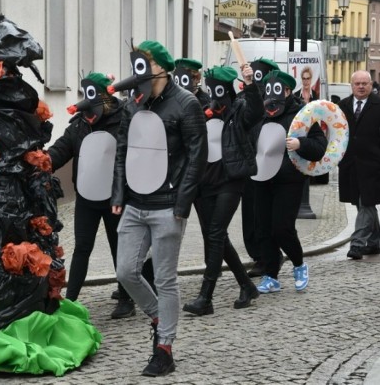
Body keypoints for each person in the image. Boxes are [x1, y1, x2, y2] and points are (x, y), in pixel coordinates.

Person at [110, 40, 207, 377]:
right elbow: (122, 150)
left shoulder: (186, 104)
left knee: (165, 279)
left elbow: (197, 156)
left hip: (168, 206)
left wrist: (182, 203)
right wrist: (118, 194)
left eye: (146, 67)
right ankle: (158, 316)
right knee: (125, 271)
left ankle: (164, 349)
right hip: (135, 204)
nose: (139, 74)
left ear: (162, 69)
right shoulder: (132, 105)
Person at [48, 72, 140, 319]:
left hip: (115, 198)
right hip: (87, 197)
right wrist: (41, 162)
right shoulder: (79, 124)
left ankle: (126, 298)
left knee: (118, 247)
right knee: (82, 248)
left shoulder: (123, 120)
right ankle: (71, 301)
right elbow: (60, 150)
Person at [182, 64, 263, 316]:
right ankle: (247, 286)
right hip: (205, 182)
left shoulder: (239, 110)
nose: (214, 94)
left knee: (216, 233)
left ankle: (205, 297)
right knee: (217, 237)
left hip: (230, 180)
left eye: (219, 88)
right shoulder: (202, 110)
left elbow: (256, 113)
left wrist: (250, 85)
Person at [252, 70, 327, 294]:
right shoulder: (260, 114)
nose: (271, 96)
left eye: (278, 90)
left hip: (289, 180)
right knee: (263, 229)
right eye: (268, 90)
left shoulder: (301, 117)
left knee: (282, 228)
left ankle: (298, 264)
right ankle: (271, 275)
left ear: (287, 91)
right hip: (262, 179)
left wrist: (300, 143)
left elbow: (319, 148)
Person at [339, 70, 380, 260]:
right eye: (357, 83)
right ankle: (373, 242)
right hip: (351, 164)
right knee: (362, 203)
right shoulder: (342, 106)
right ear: (352, 85)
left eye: (365, 83)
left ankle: (357, 243)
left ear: (371, 85)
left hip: (373, 164)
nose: (361, 86)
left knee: (367, 202)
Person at [241, 57, 280, 277]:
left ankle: (268, 257)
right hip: (249, 163)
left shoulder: (276, 103)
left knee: (266, 216)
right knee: (250, 212)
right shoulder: (246, 99)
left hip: (270, 164)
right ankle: (257, 255)